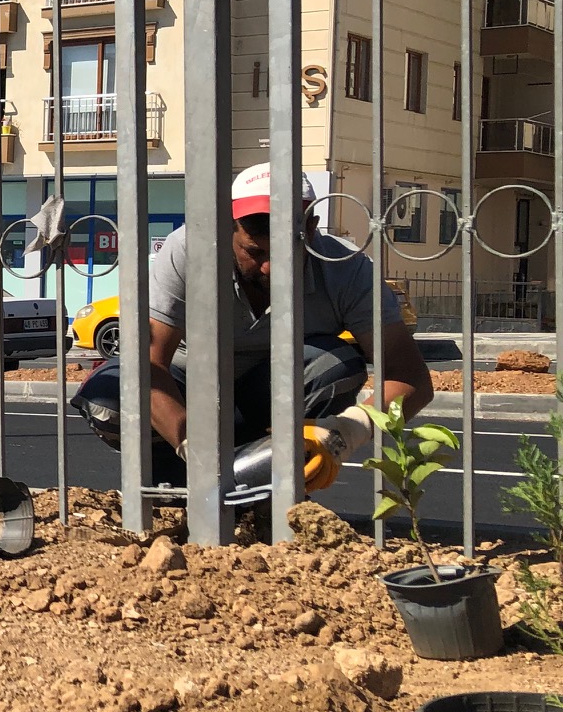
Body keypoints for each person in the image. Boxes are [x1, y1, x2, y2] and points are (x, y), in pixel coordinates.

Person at [74, 161, 433, 489]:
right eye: (255, 252)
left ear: (311, 227)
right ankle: (180, 487)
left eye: (287, 250)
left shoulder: (346, 268)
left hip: (274, 393)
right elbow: (148, 365)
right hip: (189, 385)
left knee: (335, 365)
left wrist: (346, 430)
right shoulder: (188, 250)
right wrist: (192, 446)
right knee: (111, 394)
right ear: (228, 227)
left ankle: (269, 491)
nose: (271, 268)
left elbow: (410, 376)